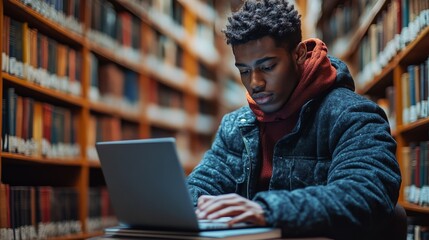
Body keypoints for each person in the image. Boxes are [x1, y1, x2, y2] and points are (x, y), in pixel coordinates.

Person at [186, 0, 401, 239]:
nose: (255, 83)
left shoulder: (353, 116)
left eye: (267, 67)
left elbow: (367, 193)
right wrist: (188, 206)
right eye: (244, 71)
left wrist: (268, 210)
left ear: (298, 55)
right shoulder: (236, 126)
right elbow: (203, 183)